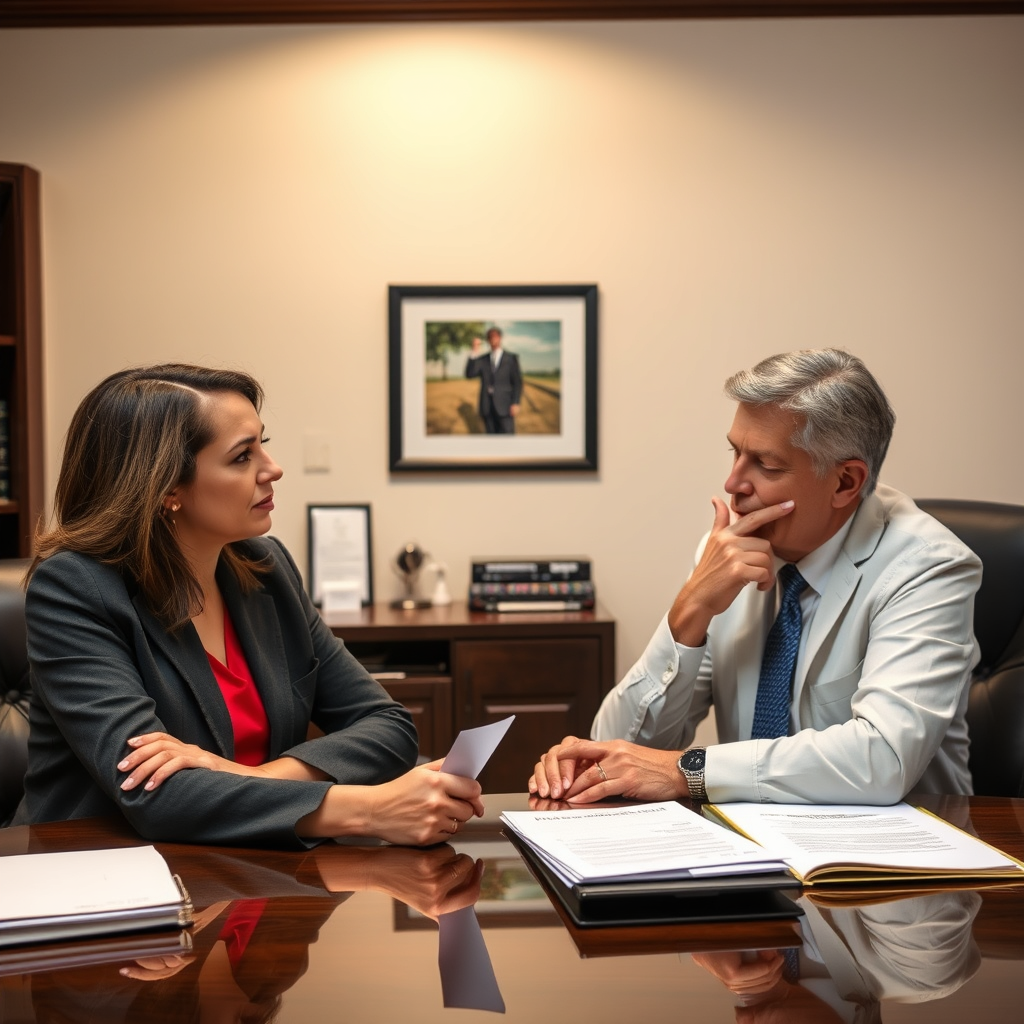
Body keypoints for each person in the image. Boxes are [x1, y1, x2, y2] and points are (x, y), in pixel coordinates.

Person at [12, 364, 483, 848]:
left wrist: (248, 776)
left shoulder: (266, 568)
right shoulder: (74, 589)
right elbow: (156, 795)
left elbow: (389, 727)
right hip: (102, 869)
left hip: (249, 864)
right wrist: (368, 810)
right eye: (242, 456)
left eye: (263, 444)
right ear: (167, 488)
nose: (272, 468)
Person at [530, 349, 981, 806]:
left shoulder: (927, 567)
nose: (733, 484)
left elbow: (882, 760)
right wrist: (690, 611)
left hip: (899, 846)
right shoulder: (731, 555)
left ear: (846, 482)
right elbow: (613, 748)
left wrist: (687, 770)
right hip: (750, 841)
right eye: (735, 452)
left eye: (766, 465)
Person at [465, 327, 522, 433]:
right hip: (487, 407)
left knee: (507, 436)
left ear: (500, 338)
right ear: (488, 340)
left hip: (505, 406)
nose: (493, 339)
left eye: (495, 336)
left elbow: (517, 382)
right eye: (490, 337)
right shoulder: (482, 359)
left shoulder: (511, 358)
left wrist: (515, 402)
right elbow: (469, 374)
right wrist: (474, 351)